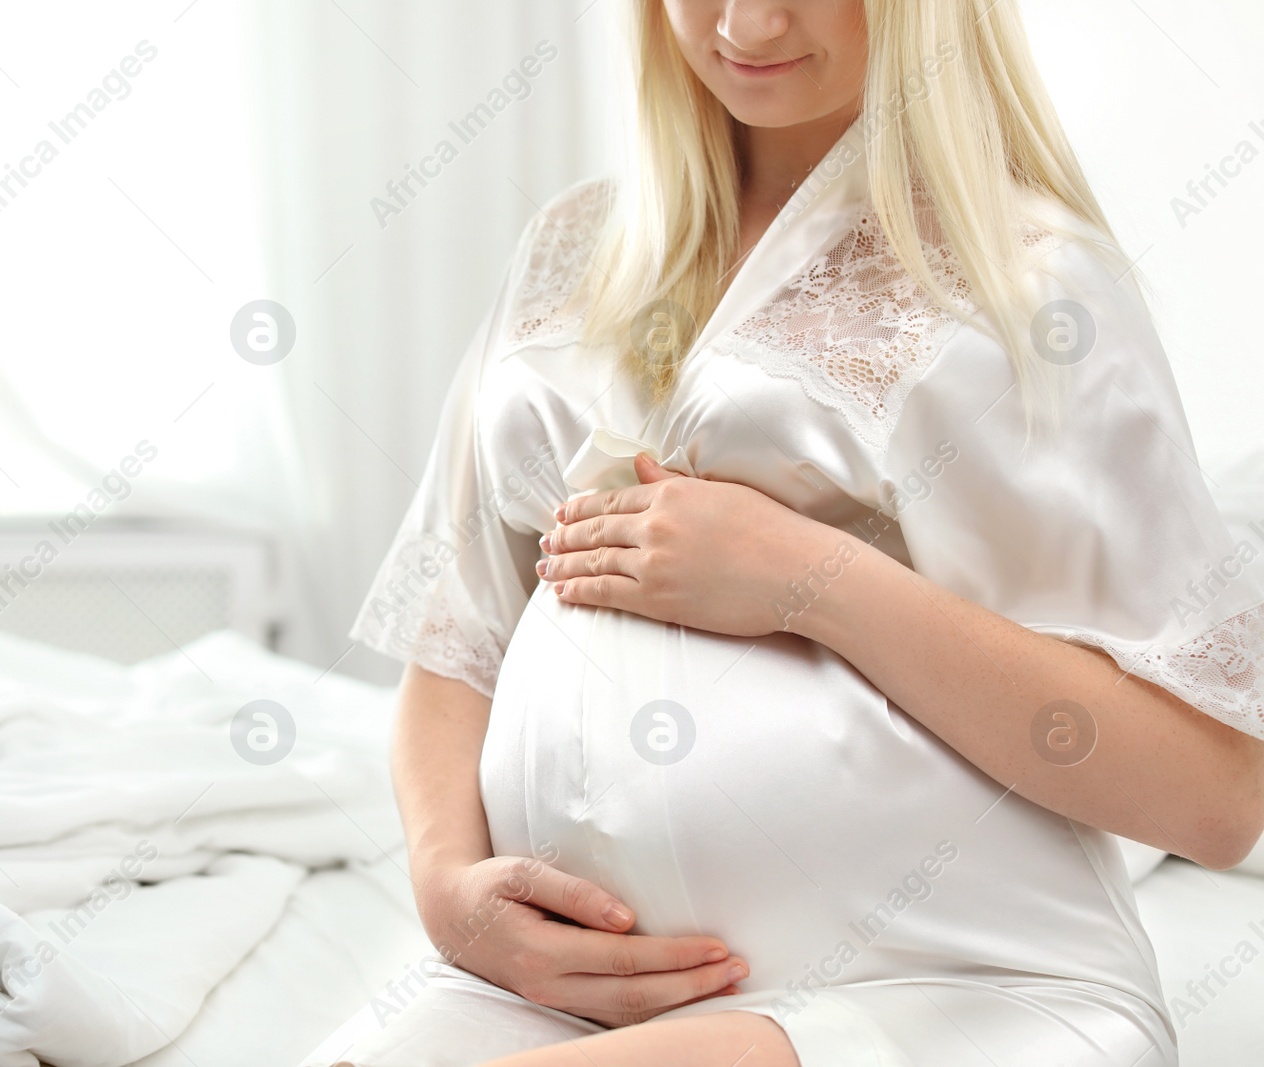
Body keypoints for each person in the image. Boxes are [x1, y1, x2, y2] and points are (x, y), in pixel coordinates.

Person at [302, 1, 1264, 1063]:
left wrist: (809, 574)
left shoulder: (1027, 282)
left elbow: (1214, 799)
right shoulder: (570, 247)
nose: (748, 22)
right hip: (572, 996)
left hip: (947, 985)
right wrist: (448, 892)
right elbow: (456, 639)